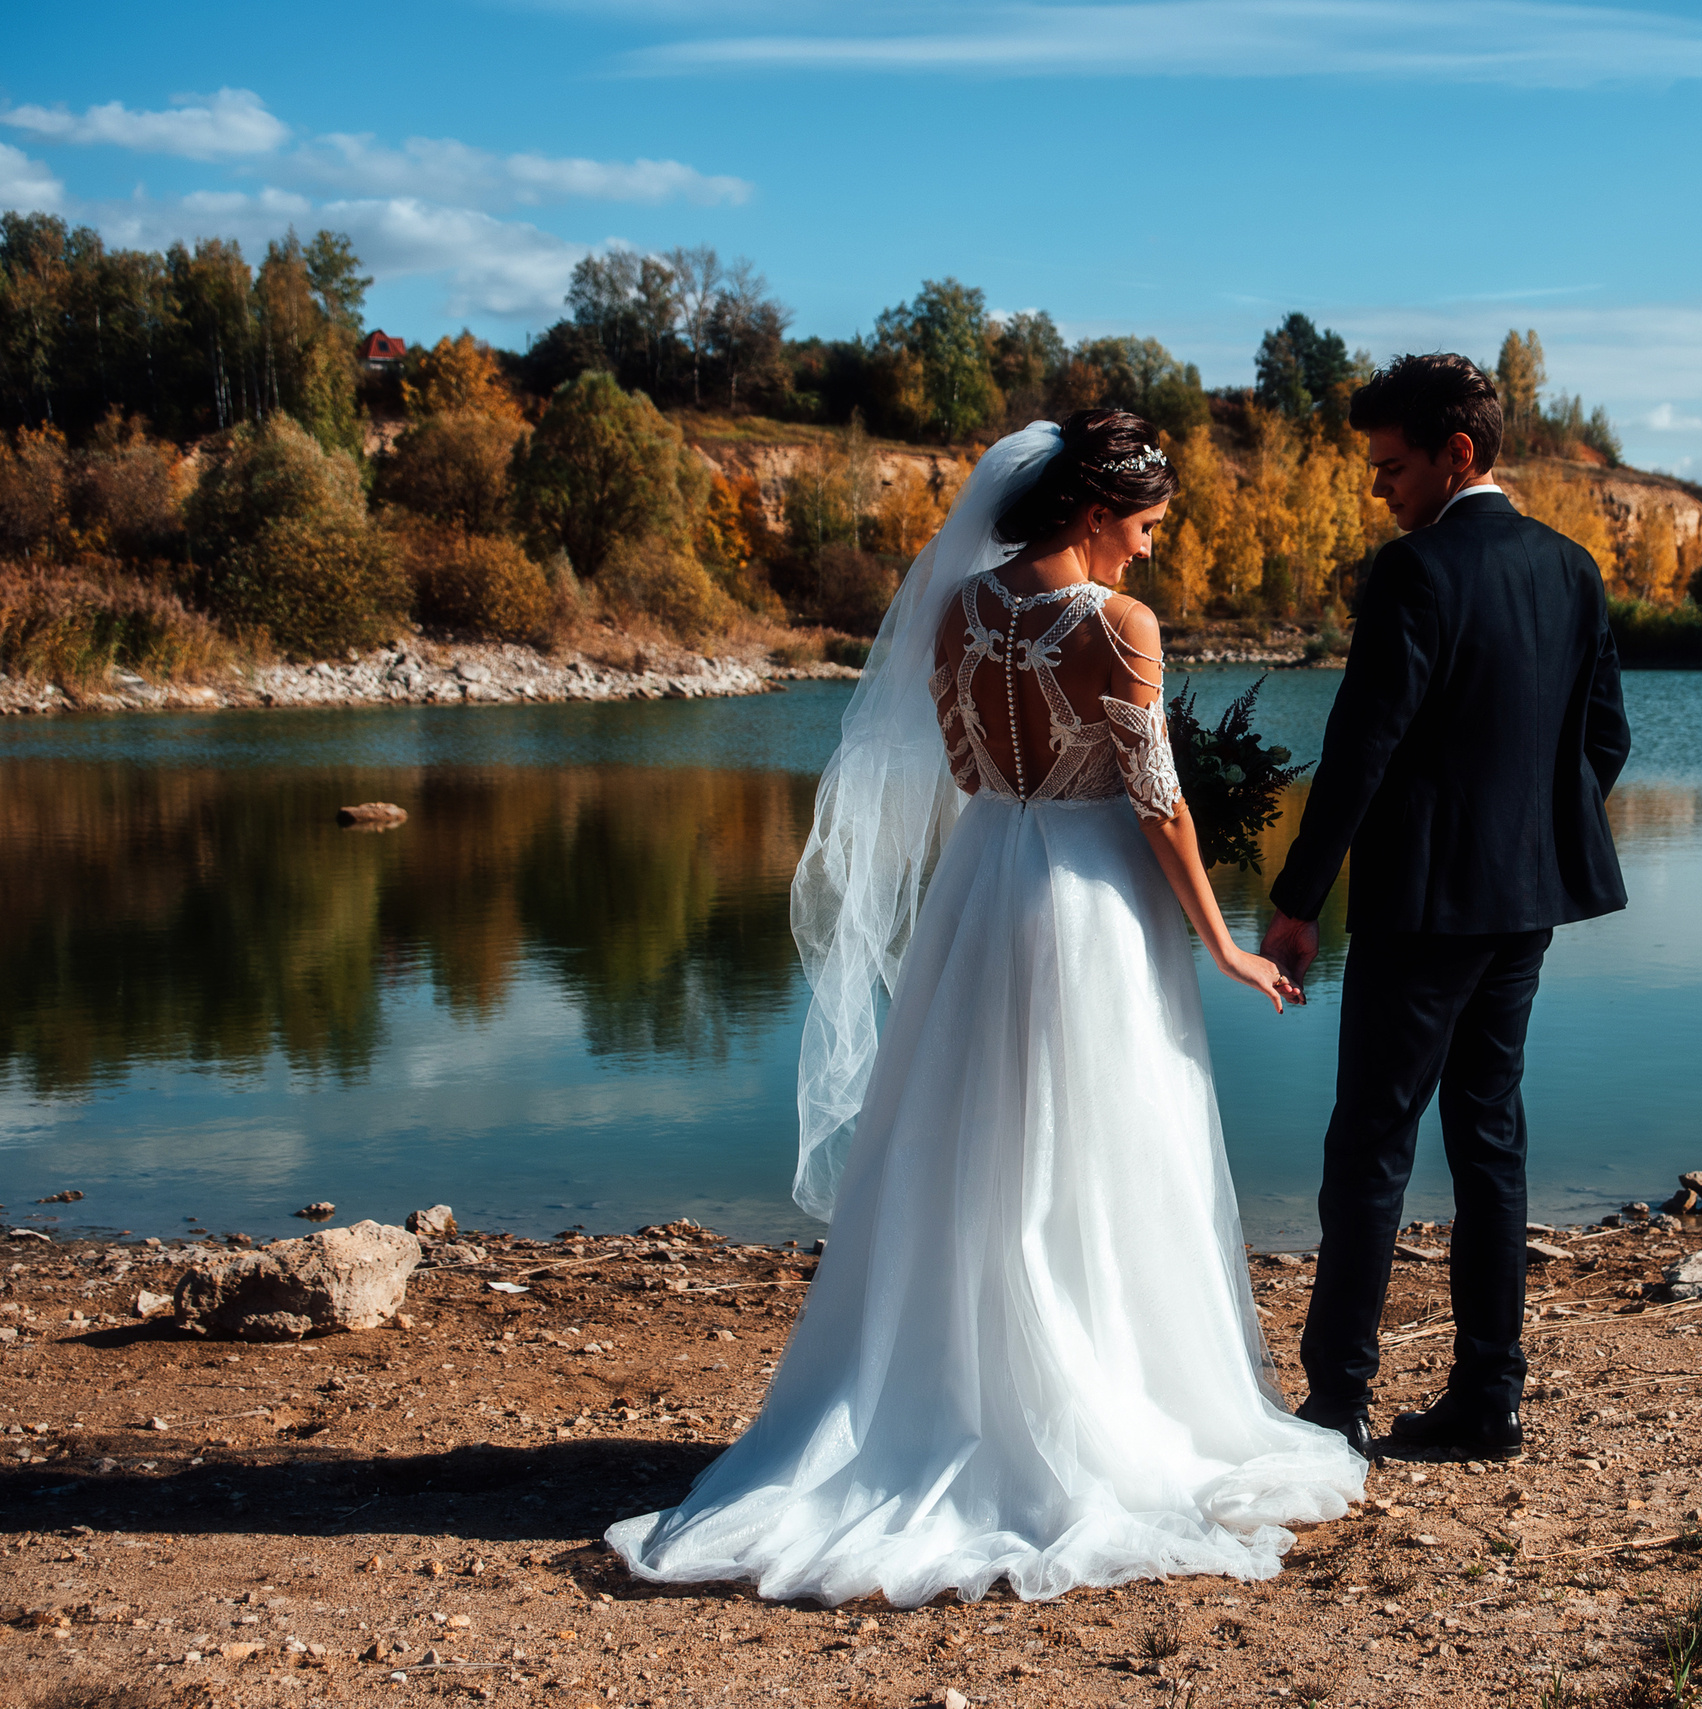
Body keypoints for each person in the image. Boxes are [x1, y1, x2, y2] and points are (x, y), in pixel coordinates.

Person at [607, 410, 1369, 1608]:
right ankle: (1089, 1408)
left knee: (966, 1144)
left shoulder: (962, 609)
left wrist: (1040, 780)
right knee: (1099, 1143)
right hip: (1088, 902)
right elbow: (1156, 797)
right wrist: (1218, 937)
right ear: (1089, 512)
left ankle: (944, 1394)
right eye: (1148, 525)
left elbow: (966, 767)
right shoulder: (1118, 626)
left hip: (983, 885)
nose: (1152, 550)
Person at [1262, 354, 1630, 1464]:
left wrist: (1294, 901)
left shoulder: (1413, 572)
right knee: (1489, 1139)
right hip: (1524, 905)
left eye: (1392, 466)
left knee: (1369, 1144)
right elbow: (1602, 739)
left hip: (1422, 909)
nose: (1381, 488)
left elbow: (1360, 749)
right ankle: (1488, 1398)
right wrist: (1527, 835)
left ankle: (1338, 1404)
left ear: (1455, 454)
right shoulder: (1571, 568)